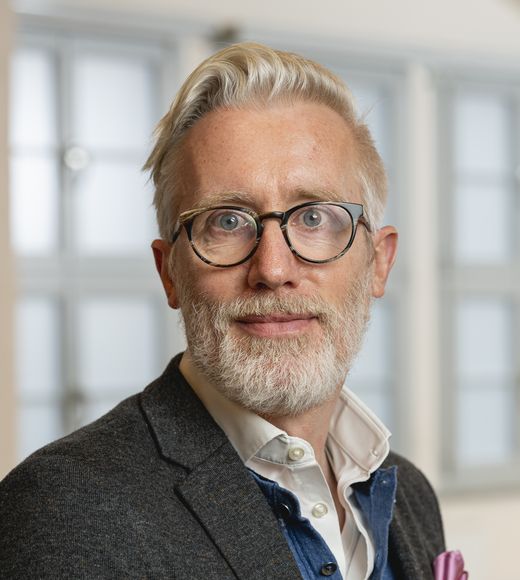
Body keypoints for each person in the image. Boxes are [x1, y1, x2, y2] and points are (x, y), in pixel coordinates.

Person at [0, 43, 445, 579]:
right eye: (227, 221)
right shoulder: (64, 512)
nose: (273, 268)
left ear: (379, 262)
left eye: (314, 218)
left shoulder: (410, 495)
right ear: (169, 272)